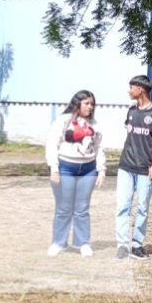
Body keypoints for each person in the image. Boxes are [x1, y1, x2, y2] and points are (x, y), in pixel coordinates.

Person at [45, 90, 106, 257]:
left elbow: (99, 148)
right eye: (87, 103)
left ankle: (82, 243)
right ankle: (59, 242)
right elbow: (52, 144)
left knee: (82, 208)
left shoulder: (95, 124)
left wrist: (101, 170)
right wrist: (54, 168)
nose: (90, 107)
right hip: (66, 168)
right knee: (64, 208)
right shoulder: (64, 121)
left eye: (92, 104)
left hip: (88, 170)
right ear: (77, 103)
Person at [115, 75, 152, 260]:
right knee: (123, 206)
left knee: (142, 208)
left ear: (141, 89)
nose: (129, 90)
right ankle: (122, 245)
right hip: (126, 166)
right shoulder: (131, 110)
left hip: (146, 169)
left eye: (132, 87)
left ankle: (137, 245)